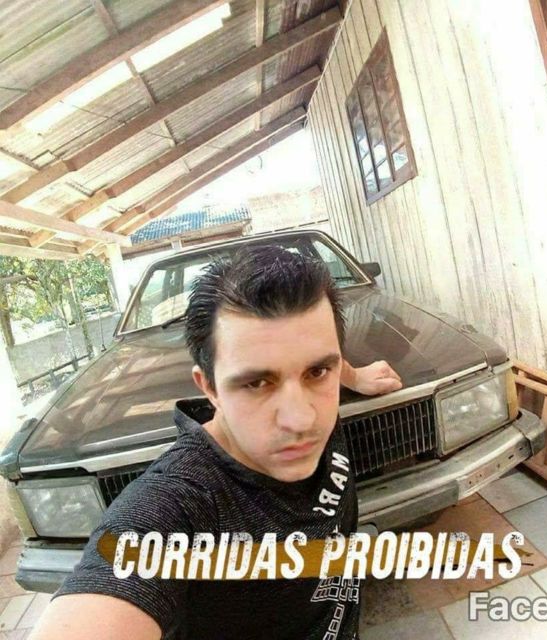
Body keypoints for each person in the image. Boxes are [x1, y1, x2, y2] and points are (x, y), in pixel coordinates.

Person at [29, 244, 402, 640]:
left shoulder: (319, 382)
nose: (301, 420)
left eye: (316, 371)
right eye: (257, 383)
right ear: (209, 387)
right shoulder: (182, 505)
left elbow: (318, 355)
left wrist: (354, 376)